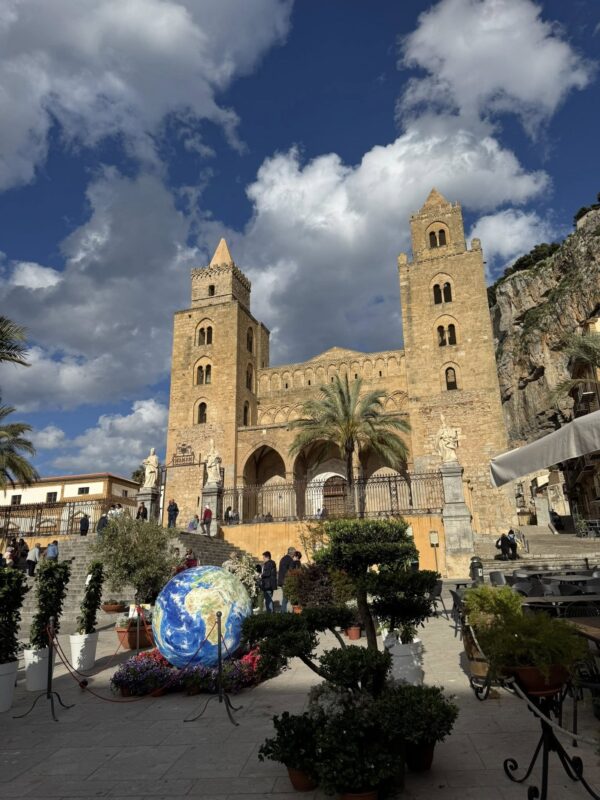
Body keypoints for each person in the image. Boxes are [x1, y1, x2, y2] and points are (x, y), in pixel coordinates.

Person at [278, 546, 297, 613]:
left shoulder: (283, 558)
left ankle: (283, 612)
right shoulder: (290, 560)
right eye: (294, 553)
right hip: (286, 581)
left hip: (282, 581)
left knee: (285, 598)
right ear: (292, 553)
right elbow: (291, 571)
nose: (295, 555)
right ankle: (283, 613)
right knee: (286, 598)